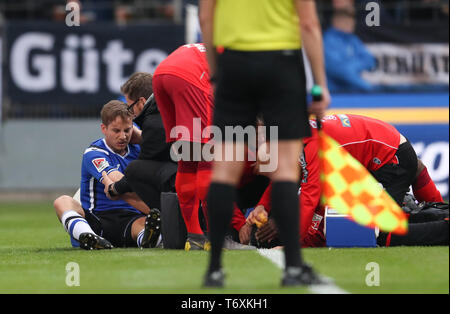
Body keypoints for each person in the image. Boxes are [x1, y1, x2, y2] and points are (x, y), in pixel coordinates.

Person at [199, 0, 330, 287]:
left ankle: (215, 269)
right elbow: (308, 23)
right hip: (281, 63)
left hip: (234, 64)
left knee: (224, 172)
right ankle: (293, 269)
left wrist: (216, 72)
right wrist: (319, 84)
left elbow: (206, 18)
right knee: (284, 169)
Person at [245, 114, 446, 248]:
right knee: (357, 225)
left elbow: (309, 197)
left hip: (390, 160)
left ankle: (443, 229)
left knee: (377, 232)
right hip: (384, 157)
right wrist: (263, 205)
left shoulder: (310, 145)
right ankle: (435, 212)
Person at [53, 100, 162, 250]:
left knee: (148, 223)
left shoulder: (138, 150)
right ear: (104, 128)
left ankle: (147, 239)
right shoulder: (94, 153)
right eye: (116, 131)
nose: (123, 136)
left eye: (127, 130)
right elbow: (117, 179)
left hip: (129, 218)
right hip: (98, 219)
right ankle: (87, 236)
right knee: (62, 201)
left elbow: (160, 144)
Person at [152, 43, 214, 251]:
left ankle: (195, 237)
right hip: (190, 77)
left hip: (161, 75)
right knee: (208, 156)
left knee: (188, 159)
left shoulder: (221, 45)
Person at [105, 72, 177, 211]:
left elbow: (142, 168)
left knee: (134, 170)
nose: (131, 115)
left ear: (142, 102)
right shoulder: (170, 108)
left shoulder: (153, 122)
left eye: (130, 108)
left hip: (184, 180)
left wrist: (114, 189)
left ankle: (170, 217)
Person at [323, 4, 376, 92]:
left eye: (352, 21)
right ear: (336, 21)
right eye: (347, 21)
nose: (352, 24)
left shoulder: (353, 39)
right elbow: (337, 71)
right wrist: (365, 86)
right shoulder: (328, 41)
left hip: (356, 91)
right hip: (335, 93)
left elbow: (370, 60)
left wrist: (350, 66)